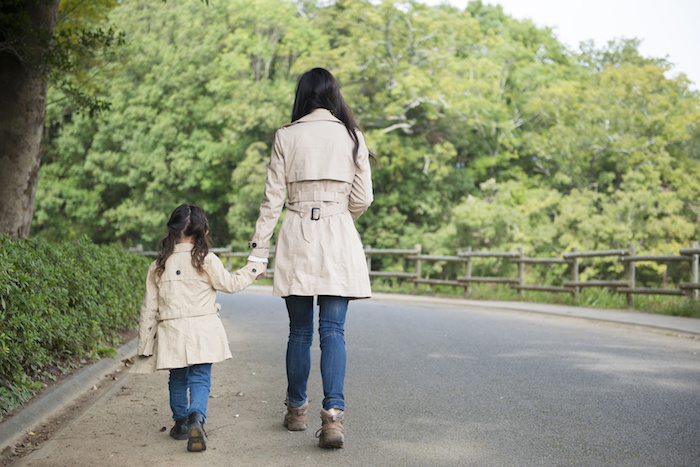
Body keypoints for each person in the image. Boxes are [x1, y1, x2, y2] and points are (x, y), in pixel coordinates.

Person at [247, 67, 373, 449]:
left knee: (299, 332)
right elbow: (363, 198)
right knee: (333, 332)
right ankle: (333, 418)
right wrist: (337, 218)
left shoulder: (287, 135)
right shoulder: (352, 136)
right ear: (334, 95)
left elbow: (272, 201)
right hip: (338, 234)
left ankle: (297, 411)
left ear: (303, 95)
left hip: (297, 232)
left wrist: (258, 252)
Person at [137, 203, 265, 452]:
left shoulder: (158, 266)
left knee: (177, 378)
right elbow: (231, 284)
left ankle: (181, 423)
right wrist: (253, 268)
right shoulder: (206, 260)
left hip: (172, 332)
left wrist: (144, 345)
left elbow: (148, 310)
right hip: (203, 331)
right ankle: (197, 417)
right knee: (200, 377)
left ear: (172, 231)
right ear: (204, 231)